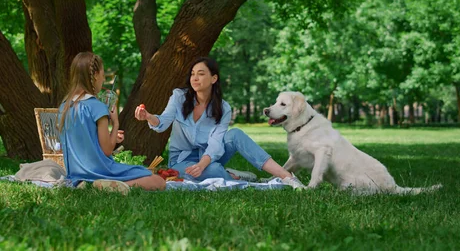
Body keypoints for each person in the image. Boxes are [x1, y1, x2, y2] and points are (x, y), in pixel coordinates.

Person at [134, 57, 305, 189]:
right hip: (181, 161)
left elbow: (216, 144)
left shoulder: (223, 108)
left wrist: (202, 165)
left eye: (201, 74)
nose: (195, 78)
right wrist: (149, 116)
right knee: (214, 171)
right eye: (193, 74)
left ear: (213, 78)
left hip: (209, 158)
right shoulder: (179, 97)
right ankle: (232, 177)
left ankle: (287, 177)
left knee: (235, 134)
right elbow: (162, 122)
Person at [58, 52, 166, 194]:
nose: (103, 78)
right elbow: (107, 150)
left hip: (76, 176)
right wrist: (115, 123)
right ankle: (109, 186)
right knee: (158, 181)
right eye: (102, 74)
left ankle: (90, 185)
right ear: (95, 74)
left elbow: (84, 142)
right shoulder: (97, 106)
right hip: (100, 171)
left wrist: (111, 136)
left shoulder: (64, 107)